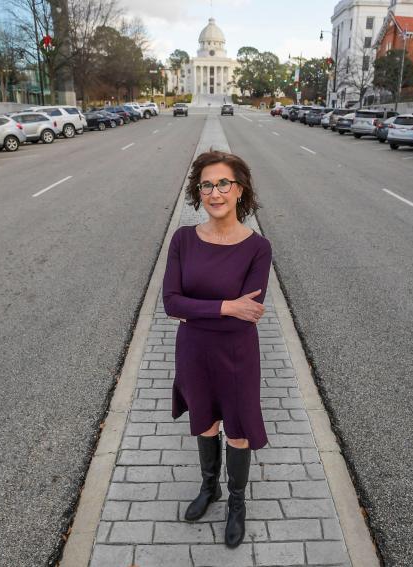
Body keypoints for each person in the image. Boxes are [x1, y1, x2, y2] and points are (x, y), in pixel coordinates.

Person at [162, 150, 272, 548]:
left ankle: (237, 504)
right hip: (194, 351)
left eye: (223, 183)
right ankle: (210, 488)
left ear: (239, 190)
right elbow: (171, 303)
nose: (215, 192)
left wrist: (199, 311)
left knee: (237, 432)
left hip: (237, 354)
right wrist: (226, 306)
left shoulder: (258, 248)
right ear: (199, 192)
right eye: (206, 184)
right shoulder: (183, 239)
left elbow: (251, 313)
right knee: (205, 423)